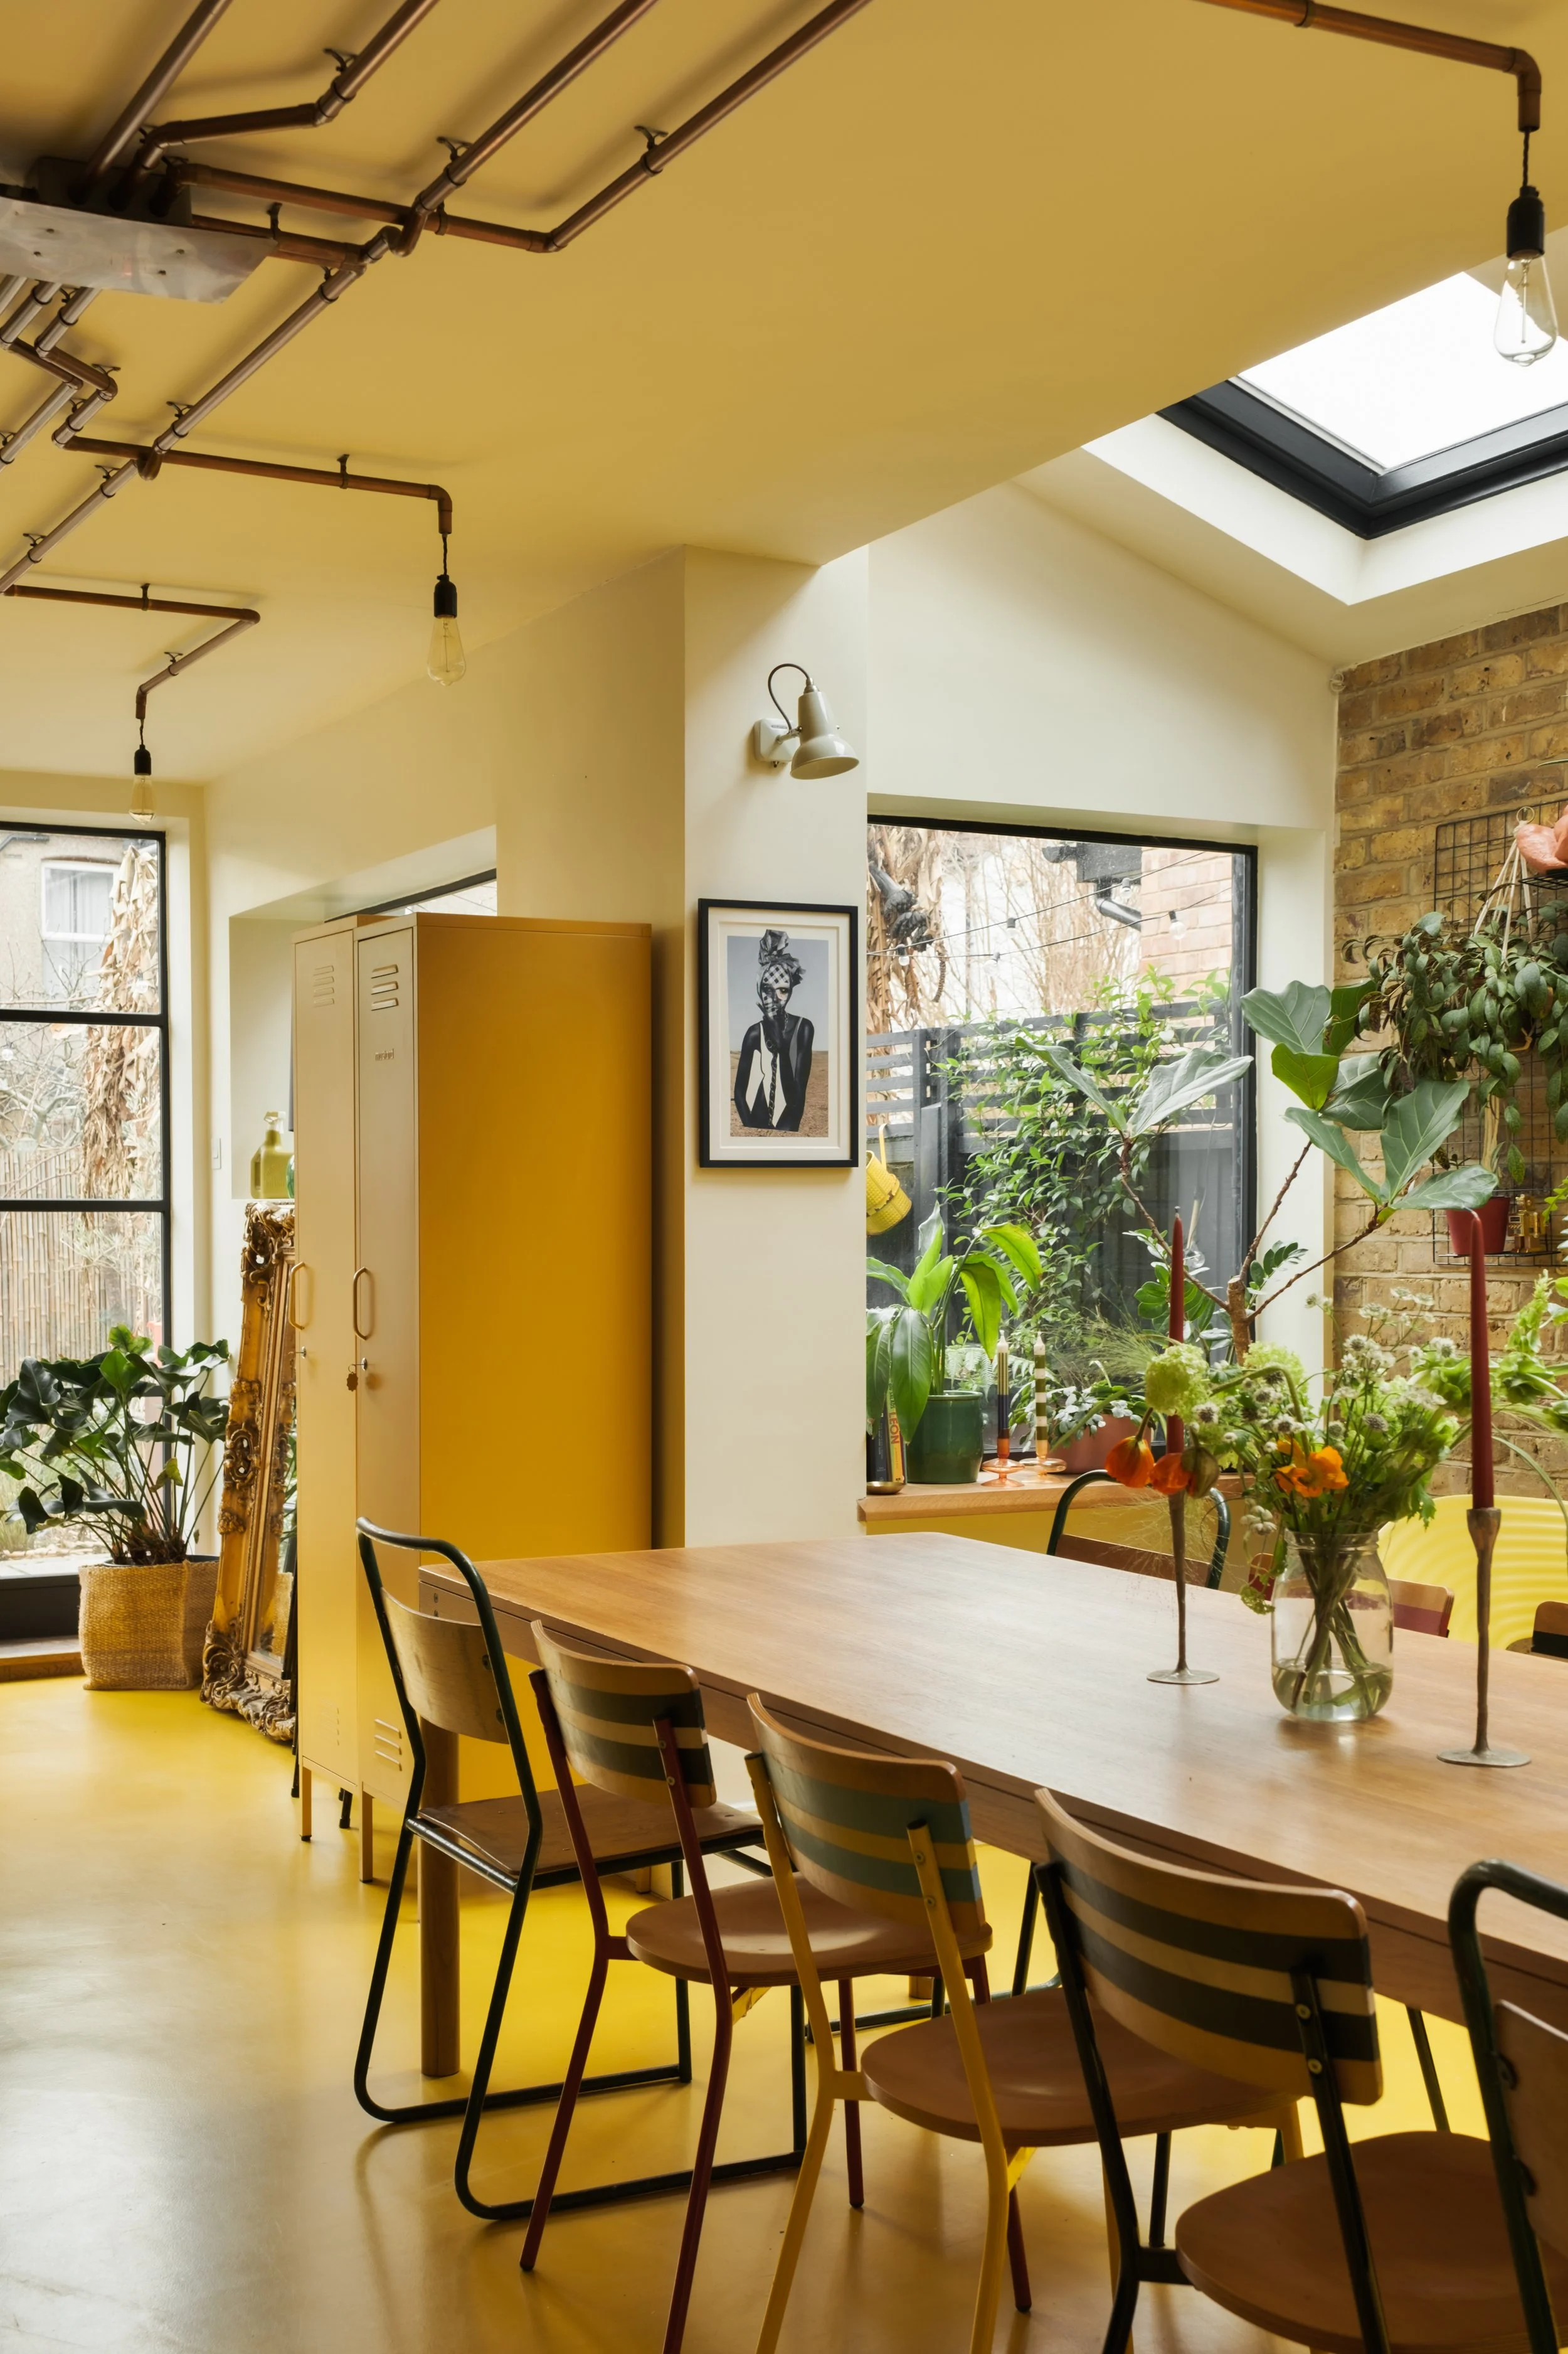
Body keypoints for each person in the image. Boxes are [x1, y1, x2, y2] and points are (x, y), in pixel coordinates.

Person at [733, 928, 813, 1132]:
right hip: (758, 1119)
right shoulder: (754, 1033)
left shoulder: (803, 1028)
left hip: (789, 1123)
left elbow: (796, 1099)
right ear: (759, 990)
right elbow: (740, 1092)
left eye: (783, 990)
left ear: (790, 992)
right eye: (767, 990)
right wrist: (751, 1128)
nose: (775, 998)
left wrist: (782, 1049)